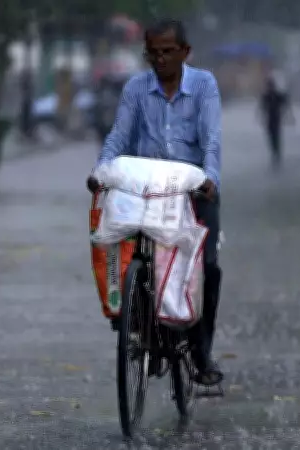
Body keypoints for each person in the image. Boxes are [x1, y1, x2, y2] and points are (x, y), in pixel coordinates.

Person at [86, 19, 224, 386]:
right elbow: (119, 136)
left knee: (207, 268)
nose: (160, 59)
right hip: (144, 188)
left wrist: (210, 179)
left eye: (168, 52)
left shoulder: (204, 85)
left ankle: (200, 351)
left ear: (184, 52)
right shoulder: (136, 88)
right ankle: (133, 320)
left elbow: (211, 142)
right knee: (120, 247)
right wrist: (102, 171)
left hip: (191, 190)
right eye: (153, 53)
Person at [260, 76, 291, 167]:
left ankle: (276, 153)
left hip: (276, 119)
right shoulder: (267, 96)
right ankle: (275, 152)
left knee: (276, 137)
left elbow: (285, 102)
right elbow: (262, 107)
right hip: (271, 119)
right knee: (271, 137)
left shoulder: (276, 95)